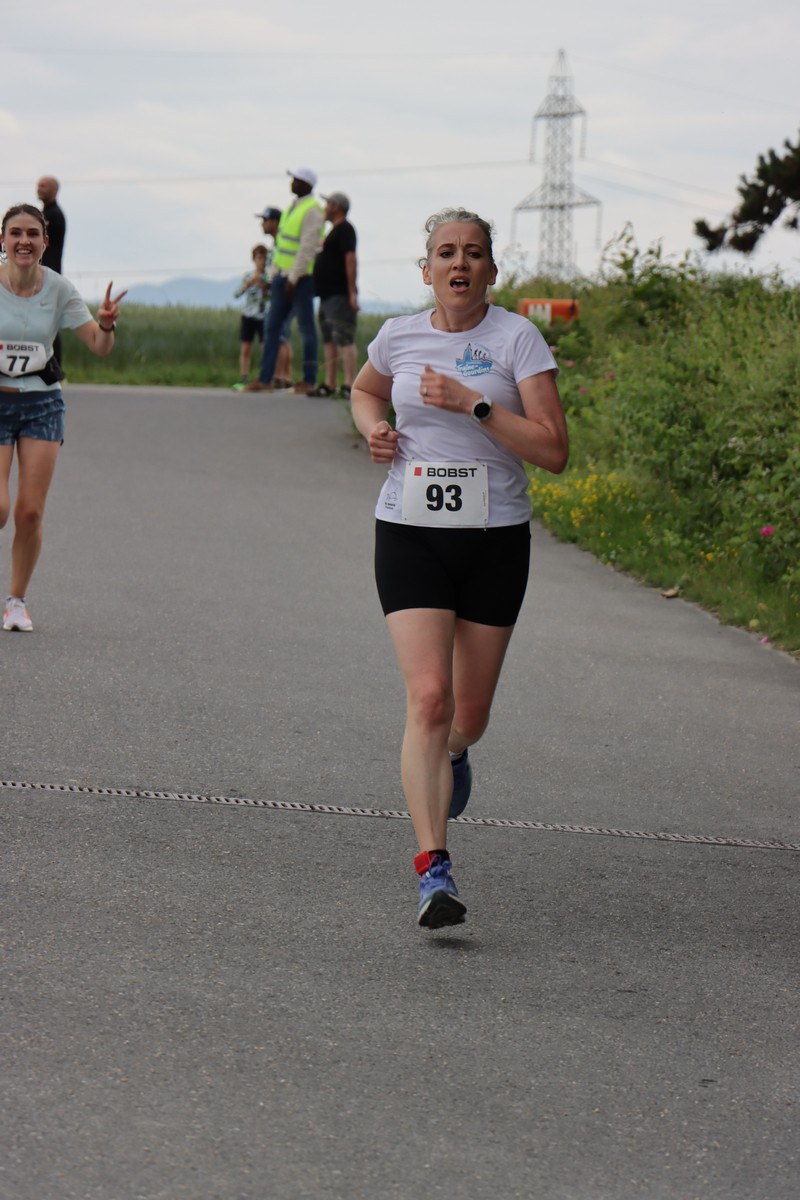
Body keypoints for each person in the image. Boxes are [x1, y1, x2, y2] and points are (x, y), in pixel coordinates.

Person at [350, 207, 568, 929]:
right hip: (409, 531)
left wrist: (475, 406)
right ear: (427, 269)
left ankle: (451, 757)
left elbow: (553, 449)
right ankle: (433, 868)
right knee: (429, 698)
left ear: (491, 270)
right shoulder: (398, 336)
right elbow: (365, 390)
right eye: (446, 252)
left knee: (465, 719)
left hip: (494, 540)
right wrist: (375, 430)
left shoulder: (517, 339)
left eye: (473, 252)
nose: (460, 263)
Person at [0, 203, 126, 632]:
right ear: (3, 241)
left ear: (45, 241)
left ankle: (16, 601)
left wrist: (106, 325)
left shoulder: (58, 288)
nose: (24, 241)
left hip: (42, 404)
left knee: (29, 512)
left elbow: (99, 346)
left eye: (32, 234)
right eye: (16, 233)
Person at [245, 168, 324, 395]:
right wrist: (274, 275)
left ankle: (308, 380)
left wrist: (293, 278)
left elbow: (307, 248)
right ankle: (265, 379)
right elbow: (281, 245)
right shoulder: (292, 207)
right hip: (281, 277)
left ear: (306, 184)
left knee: (306, 328)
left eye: (296, 179)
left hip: (300, 279)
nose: (292, 183)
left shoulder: (312, 210)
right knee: (271, 327)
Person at [311, 191, 359, 398]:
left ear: (336, 206)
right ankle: (329, 383)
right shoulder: (332, 231)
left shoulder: (346, 229)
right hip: (326, 294)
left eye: (328, 203)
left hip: (340, 294)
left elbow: (350, 259)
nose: (325, 207)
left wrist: (351, 292)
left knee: (343, 337)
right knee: (329, 339)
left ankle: (349, 384)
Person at [254, 205, 293, 389]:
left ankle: (282, 376)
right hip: (278, 293)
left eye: (265, 220)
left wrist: (263, 281)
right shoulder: (277, 243)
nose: (262, 224)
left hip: (281, 294)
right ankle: (282, 376)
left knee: (281, 336)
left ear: (275, 222)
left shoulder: (281, 243)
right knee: (281, 335)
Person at [36, 175, 66, 373]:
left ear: (55, 190)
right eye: (38, 185)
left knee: (49, 322)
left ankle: (56, 369)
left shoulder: (53, 215)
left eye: (44, 186)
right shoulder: (45, 213)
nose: (39, 188)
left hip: (49, 276)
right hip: (41, 275)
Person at [232, 243, 269, 390]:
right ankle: (243, 377)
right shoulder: (248, 276)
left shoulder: (268, 277)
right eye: (259, 258)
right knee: (246, 348)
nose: (261, 262)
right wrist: (247, 284)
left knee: (265, 347)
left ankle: (265, 376)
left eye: (264, 258)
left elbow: (271, 297)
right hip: (248, 315)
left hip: (263, 316)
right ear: (254, 259)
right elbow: (236, 294)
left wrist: (263, 286)